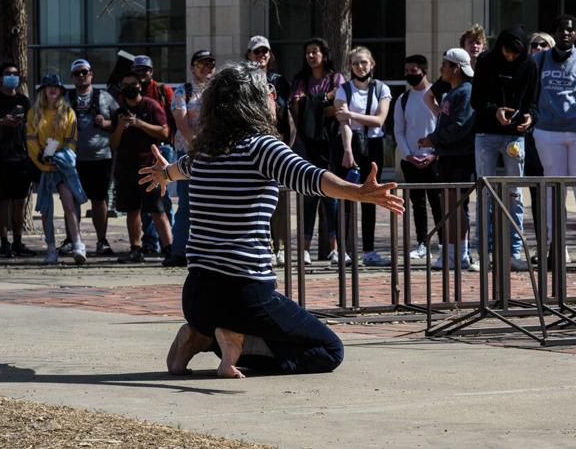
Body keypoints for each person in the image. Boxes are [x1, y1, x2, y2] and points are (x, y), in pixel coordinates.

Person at [137, 61, 404, 378]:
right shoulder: (261, 147)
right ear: (250, 102)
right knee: (329, 351)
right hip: (244, 293)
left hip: (196, 297)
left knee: (265, 325)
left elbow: (179, 168)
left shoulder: (205, 151)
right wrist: (357, 192)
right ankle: (231, 338)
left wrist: (164, 173)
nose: (274, 97)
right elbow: (311, 177)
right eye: (267, 92)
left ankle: (203, 333)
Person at [533, 14, 576, 256]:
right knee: (554, 190)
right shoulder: (539, 60)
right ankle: (556, 247)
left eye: (571, 30)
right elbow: (530, 95)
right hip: (547, 133)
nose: (566, 33)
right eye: (561, 29)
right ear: (555, 33)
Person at [470, 25, 538, 271]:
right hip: (487, 132)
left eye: (515, 54)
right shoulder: (487, 60)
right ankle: (484, 254)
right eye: (507, 52)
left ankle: (513, 253)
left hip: (514, 137)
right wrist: (494, 110)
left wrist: (530, 119)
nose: (510, 57)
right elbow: (476, 100)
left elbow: (533, 101)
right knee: (485, 193)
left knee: (515, 195)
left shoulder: (529, 65)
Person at [334, 46, 392, 267]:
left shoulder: (382, 89)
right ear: (351, 66)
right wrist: (347, 150)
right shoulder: (343, 90)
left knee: (371, 197)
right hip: (351, 145)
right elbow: (344, 123)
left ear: (372, 64)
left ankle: (369, 251)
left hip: (374, 145)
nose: (360, 67)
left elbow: (379, 120)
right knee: (346, 197)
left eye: (364, 62)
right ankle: (344, 251)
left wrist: (351, 114)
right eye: (356, 63)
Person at [418, 48, 476, 269]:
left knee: (457, 205)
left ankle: (459, 253)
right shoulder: (452, 92)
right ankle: (451, 252)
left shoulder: (466, 92)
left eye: (445, 65)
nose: (441, 69)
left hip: (461, 157)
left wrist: (433, 139)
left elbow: (460, 127)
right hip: (448, 156)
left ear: (456, 68)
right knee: (450, 205)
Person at [290, 38, 346, 265]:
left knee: (330, 196)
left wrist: (312, 104)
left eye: (315, 52)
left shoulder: (336, 78)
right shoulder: (301, 79)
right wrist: (322, 101)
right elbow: (296, 106)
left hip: (330, 145)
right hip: (307, 145)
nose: (311, 56)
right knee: (308, 196)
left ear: (324, 54)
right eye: (308, 52)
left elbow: (339, 108)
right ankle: (304, 249)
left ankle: (336, 249)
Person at [111, 70, 172, 263]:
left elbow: (164, 132)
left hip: (149, 166)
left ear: (140, 86)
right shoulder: (118, 112)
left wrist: (139, 123)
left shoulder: (150, 105)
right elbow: (113, 144)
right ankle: (135, 249)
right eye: (125, 85)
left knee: (157, 209)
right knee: (132, 210)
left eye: (133, 84)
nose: (130, 88)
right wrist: (121, 126)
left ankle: (169, 248)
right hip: (126, 167)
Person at [163, 50, 216, 268]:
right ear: (192, 67)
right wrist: (197, 145)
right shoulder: (182, 91)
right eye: (201, 64)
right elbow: (181, 123)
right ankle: (179, 251)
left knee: (212, 205)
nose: (206, 68)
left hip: (215, 155)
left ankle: (209, 252)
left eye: (210, 64)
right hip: (188, 154)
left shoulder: (219, 92)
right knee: (186, 203)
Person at [247, 35, 297, 266]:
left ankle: (282, 246)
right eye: (257, 52)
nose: (261, 56)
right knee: (257, 198)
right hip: (252, 144)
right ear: (249, 55)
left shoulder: (279, 80)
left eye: (264, 52)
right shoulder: (243, 79)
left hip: (276, 142)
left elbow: (286, 114)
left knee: (280, 199)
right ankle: (263, 246)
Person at [26, 74, 86, 264]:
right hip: (42, 166)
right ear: (43, 90)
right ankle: (51, 248)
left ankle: (78, 244)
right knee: (45, 209)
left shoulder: (68, 112)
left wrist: (59, 158)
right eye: (48, 86)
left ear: (61, 90)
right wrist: (43, 161)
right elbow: (31, 142)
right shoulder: (34, 113)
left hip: (63, 166)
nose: (52, 89)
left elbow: (72, 142)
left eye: (56, 87)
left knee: (69, 205)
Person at [65, 59, 120, 256]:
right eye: (77, 73)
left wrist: (105, 123)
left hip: (100, 157)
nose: (81, 76)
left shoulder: (104, 97)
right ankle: (73, 239)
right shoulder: (66, 98)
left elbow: (119, 123)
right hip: (72, 159)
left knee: (99, 200)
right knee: (71, 201)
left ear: (92, 74)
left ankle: (101, 240)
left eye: (85, 72)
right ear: (72, 77)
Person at [0, 62, 35, 257]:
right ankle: (4, 241)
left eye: (15, 73)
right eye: (7, 74)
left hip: (21, 156)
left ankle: (18, 241)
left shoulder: (23, 100)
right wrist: (2, 122)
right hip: (0, 155)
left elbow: (31, 127)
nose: (12, 76)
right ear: (0, 77)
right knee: (2, 200)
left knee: (19, 201)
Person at [394, 54, 443, 260]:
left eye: (413, 71)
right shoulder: (403, 99)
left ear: (424, 71)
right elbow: (399, 131)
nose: (409, 75)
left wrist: (434, 154)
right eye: (406, 71)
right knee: (417, 204)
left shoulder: (437, 96)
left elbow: (443, 127)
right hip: (411, 161)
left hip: (435, 160)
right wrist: (408, 155)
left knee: (438, 203)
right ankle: (423, 243)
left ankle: (443, 243)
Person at [131, 55, 175, 256]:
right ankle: (150, 242)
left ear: (152, 71)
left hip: (163, 147)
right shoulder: (130, 92)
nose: (142, 74)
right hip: (141, 150)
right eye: (138, 70)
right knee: (147, 200)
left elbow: (171, 120)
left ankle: (170, 241)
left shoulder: (163, 91)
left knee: (163, 199)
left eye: (145, 70)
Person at [525, 32, 555, 261]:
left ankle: (558, 246)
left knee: (555, 194)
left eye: (542, 44)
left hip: (556, 138)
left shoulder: (557, 74)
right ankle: (542, 246)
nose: (536, 48)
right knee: (537, 195)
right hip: (533, 138)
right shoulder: (526, 73)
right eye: (533, 45)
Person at [424, 24, 487, 114]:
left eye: (478, 42)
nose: (474, 46)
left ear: (484, 47)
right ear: (463, 46)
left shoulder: (488, 70)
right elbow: (427, 97)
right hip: (461, 124)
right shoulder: (455, 72)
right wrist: (440, 115)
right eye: (470, 42)